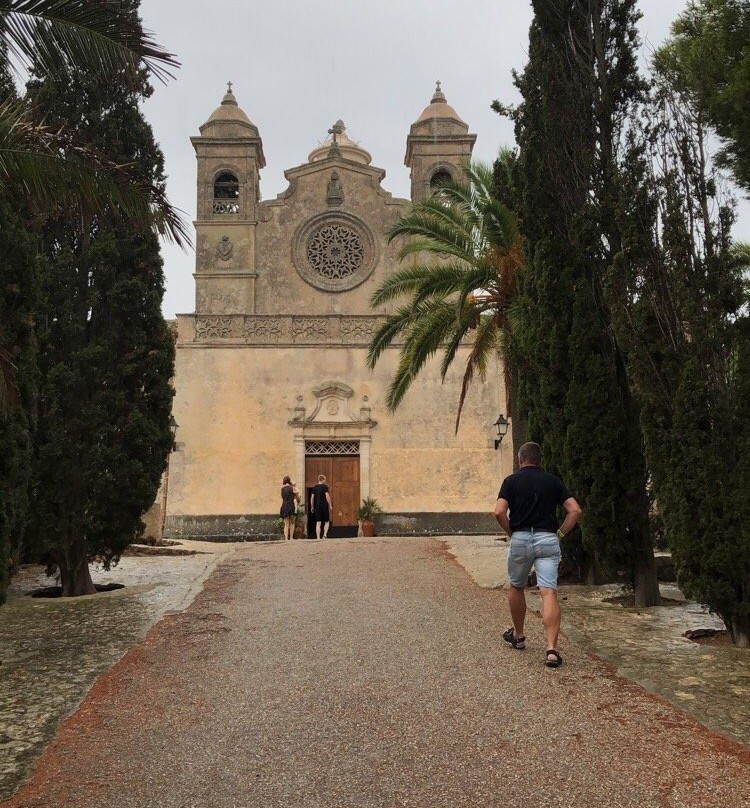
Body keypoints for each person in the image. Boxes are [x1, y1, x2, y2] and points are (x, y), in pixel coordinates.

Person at [494, 441, 582, 668]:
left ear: (520, 460)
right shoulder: (553, 482)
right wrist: (561, 533)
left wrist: (511, 531)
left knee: (516, 585)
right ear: (539, 460)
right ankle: (551, 650)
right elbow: (575, 510)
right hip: (547, 539)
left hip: (522, 537)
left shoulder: (510, 482)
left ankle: (520, 637)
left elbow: (498, 511)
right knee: (548, 591)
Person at [310, 474, 332, 540]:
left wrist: (312, 506)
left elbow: (312, 498)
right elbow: (327, 496)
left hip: (317, 506)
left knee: (318, 522)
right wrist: (330, 505)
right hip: (324, 506)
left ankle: (318, 537)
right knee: (327, 521)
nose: (325, 480)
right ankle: (324, 535)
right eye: (325, 479)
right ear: (323, 480)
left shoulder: (315, 487)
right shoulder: (325, 487)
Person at [279, 475, 300, 541]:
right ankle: (291, 537)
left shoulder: (282, 489)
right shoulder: (292, 488)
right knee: (292, 522)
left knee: (286, 523)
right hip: (291, 505)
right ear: (289, 481)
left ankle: (286, 538)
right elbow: (298, 491)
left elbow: (282, 496)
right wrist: (294, 485)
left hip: (284, 505)